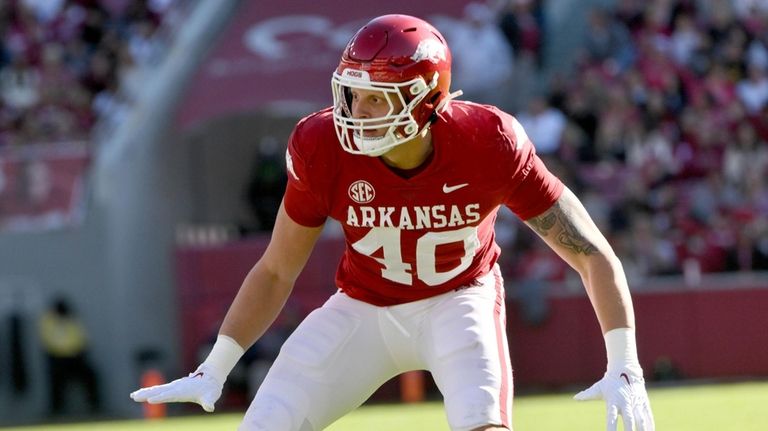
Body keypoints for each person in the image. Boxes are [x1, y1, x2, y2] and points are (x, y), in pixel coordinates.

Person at [131, 14, 655, 431]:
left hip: (460, 299)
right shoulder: (321, 145)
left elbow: (588, 252)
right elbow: (275, 271)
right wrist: (217, 365)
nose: (355, 110)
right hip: (363, 308)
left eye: (375, 97)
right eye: (352, 92)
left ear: (425, 100)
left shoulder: (486, 142)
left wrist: (624, 361)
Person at [39, 296, 100, 416]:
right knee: (55, 382)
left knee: (91, 376)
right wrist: (64, 351)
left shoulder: (72, 319)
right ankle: (56, 410)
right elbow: (48, 341)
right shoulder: (48, 321)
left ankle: (95, 406)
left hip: (75, 357)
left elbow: (81, 339)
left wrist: (75, 351)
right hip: (56, 358)